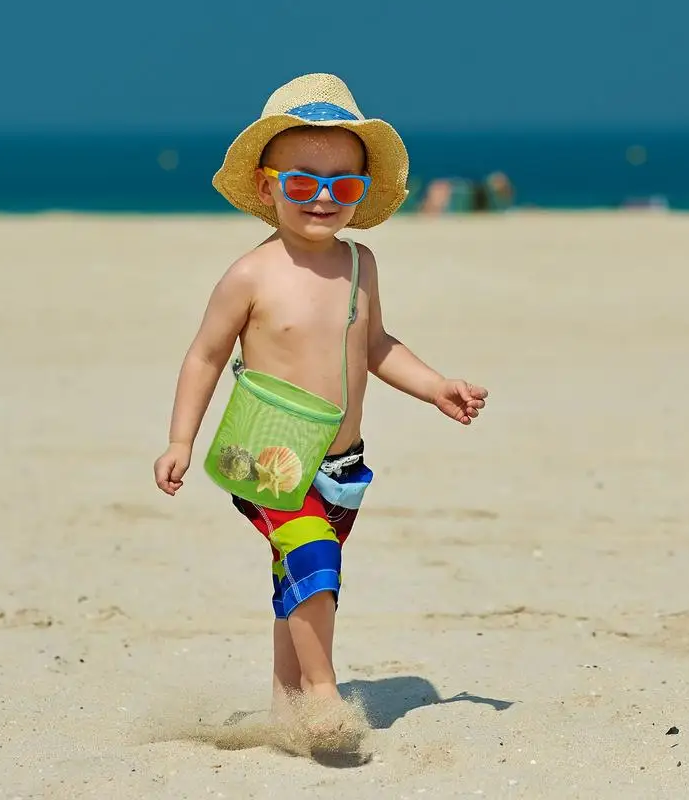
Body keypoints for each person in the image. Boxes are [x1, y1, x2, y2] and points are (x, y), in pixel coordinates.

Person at [153, 73, 488, 726]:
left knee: (300, 584)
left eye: (343, 185)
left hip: (341, 463)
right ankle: (326, 694)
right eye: (303, 183)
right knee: (315, 561)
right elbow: (205, 355)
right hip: (267, 453)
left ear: (360, 194)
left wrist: (435, 386)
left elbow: (378, 344)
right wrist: (179, 440)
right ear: (267, 185)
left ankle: (287, 707)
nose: (323, 198)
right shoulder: (251, 274)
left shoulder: (361, 264)